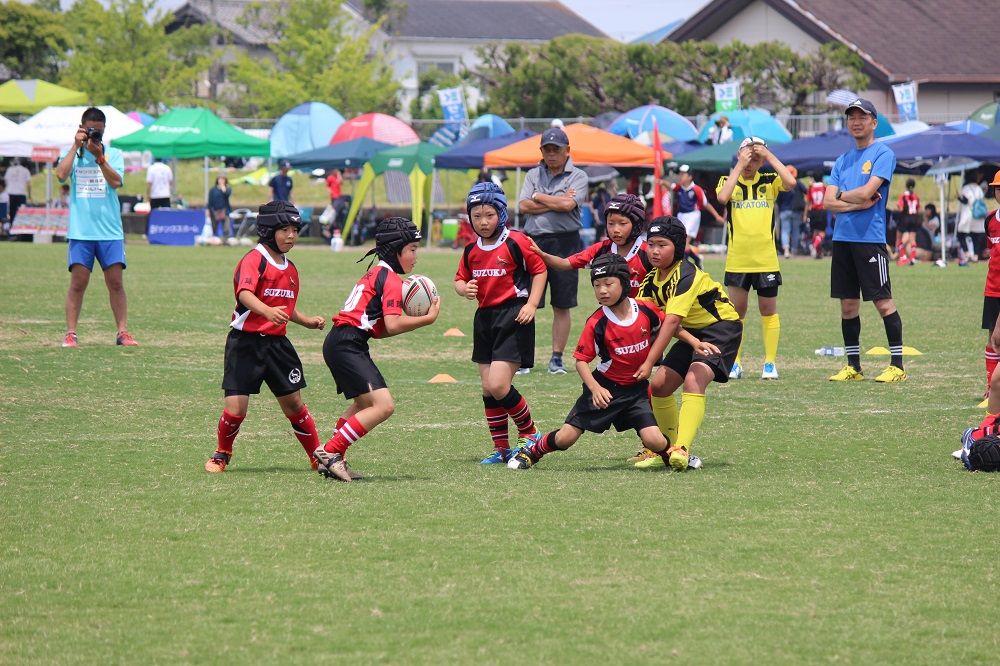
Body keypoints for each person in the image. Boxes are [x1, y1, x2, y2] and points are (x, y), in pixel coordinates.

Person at [506, 253, 680, 471]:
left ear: (624, 283)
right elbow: (581, 361)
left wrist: (695, 342)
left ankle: (673, 454)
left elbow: (670, 328)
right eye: (597, 285)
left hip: (635, 391)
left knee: (653, 440)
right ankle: (533, 451)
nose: (602, 290)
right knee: (565, 439)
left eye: (608, 284)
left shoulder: (646, 310)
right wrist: (595, 389)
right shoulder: (597, 322)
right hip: (604, 389)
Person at [204, 201, 327, 473]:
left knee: (294, 404)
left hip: (277, 345)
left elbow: (286, 308)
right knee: (236, 409)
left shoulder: (291, 269)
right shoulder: (254, 259)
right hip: (245, 343)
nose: (291, 236)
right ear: (269, 230)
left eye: (295, 230)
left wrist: (306, 321)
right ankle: (222, 454)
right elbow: (244, 294)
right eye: (285, 230)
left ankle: (317, 456)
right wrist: (267, 311)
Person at [315, 217, 440, 481]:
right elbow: (393, 324)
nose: (416, 256)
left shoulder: (376, 273)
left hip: (342, 341)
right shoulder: (390, 279)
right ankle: (331, 451)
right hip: (347, 344)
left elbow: (379, 329)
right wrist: (427, 319)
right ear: (396, 251)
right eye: (412, 249)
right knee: (384, 406)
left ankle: (334, 459)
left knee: (363, 404)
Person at [633, 217, 742, 470]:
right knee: (659, 386)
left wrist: (649, 363)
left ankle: (681, 449)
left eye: (662, 245)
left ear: (678, 247)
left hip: (721, 327)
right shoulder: (650, 280)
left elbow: (670, 323)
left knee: (694, 379)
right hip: (692, 331)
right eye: (651, 244)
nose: (654, 251)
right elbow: (648, 319)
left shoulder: (685, 274)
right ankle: (664, 449)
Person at [456, 182, 547, 463]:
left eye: (489, 215)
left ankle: (530, 432)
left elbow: (540, 270)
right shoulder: (471, 250)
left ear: (501, 214)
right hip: (484, 319)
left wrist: (532, 304)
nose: (483, 222)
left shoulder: (516, 241)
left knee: (498, 384)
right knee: (488, 387)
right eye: (477, 216)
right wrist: (464, 288)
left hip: (514, 316)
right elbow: (459, 279)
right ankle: (501, 448)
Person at [823, 98, 905, 383]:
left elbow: (867, 192)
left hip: (870, 239)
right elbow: (827, 202)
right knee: (847, 305)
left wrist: (841, 196)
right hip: (842, 239)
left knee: (883, 302)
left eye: (862, 117)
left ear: (874, 122)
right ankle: (853, 367)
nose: (856, 122)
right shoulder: (842, 160)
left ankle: (897, 366)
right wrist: (853, 203)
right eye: (851, 117)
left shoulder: (883, 153)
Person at [55, 107, 138, 348]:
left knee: (116, 283)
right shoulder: (73, 153)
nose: (95, 135)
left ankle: (122, 332)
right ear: (82, 128)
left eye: (99, 131)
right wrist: (75, 146)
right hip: (81, 231)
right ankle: (71, 333)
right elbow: (60, 175)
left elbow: (116, 182)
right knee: (78, 284)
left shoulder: (114, 154)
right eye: (91, 130)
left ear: (104, 130)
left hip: (110, 231)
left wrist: (100, 157)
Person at [716, 137, 797, 380]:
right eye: (747, 156)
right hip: (738, 260)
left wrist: (769, 156)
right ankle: (735, 362)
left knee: (768, 310)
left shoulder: (769, 180)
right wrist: (740, 164)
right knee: (737, 312)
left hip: (766, 260)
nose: (750, 162)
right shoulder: (727, 180)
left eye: (755, 158)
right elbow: (722, 198)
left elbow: (791, 182)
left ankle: (769, 363)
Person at [518, 127, 589, 375]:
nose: (551, 154)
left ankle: (556, 359)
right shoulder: (532, 174)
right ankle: (523, 359)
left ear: (567, 150)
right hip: (533, 242)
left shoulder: (578, 176)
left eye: (555, 149)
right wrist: (555, 202)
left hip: (565, 243)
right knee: (527, 301)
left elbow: (569, 204)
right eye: (546, 149)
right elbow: (523, 206)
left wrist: (538, 196)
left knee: (562, 303)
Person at [530, 192, 650, 298]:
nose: (615, 230)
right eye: (611, 223)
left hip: (643, 313)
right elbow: (564, 264)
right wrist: (542, 254)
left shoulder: (648, 252)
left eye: (622, 223)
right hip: (610, 313)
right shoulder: (601, 249)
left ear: (636, 224)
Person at [671, 164, 725, 268]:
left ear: (690, 177)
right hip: (681, 216)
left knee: (684, 241)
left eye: (683, 174)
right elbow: (669, 186)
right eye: (680, 174)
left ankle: (684, 266)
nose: (680, 176)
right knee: (682, 243)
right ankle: (696, 259)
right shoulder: (679, 188)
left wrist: (717, 216)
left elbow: (706, 204)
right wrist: (660, 181)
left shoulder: (696, 189)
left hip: (692, 216)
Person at [978, 172, 1000, 405]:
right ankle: (991, 387)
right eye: (997, 189)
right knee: (993, 337)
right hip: (993, 290)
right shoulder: (991, 220)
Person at [775, 165, 805, 259]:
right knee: (796, 231)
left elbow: (777, 198)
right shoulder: (798, 183)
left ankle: (786, 251)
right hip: (796, 210)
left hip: (784, 210)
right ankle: (794, 250)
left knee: (785, 231)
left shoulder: (781, 182)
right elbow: (806, 192)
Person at [957, 172, 986, 266]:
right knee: (976, 237)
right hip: (978, 216)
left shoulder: (965, 188)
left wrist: (959, 198)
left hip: (968, 215)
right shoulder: (978, 188)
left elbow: (965, 201)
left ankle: (967, 253)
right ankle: (975, 256)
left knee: (961, 235)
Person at [895, 178, 921, 266]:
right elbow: (918, 209)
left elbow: (901, 208)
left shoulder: (903, 196)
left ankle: (903, 257)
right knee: (912, 239)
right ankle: (912, 258)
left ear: (906, 185)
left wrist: (897, 207)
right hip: (914, 218)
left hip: (905, 218)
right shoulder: (916, 196)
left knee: (898, 238)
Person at [805, 173, 828, 258]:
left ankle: (818, 253)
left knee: (815, 232)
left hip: (813, 211)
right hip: (822, 211)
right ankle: (814, 246)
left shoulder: (811, 187)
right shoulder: (824, 187)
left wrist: (805, 215)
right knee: (822, 233)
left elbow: (808, 202)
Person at [4, 158, 31, 222]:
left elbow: (5, 181)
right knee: (21, 212)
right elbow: (29, 184)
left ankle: (10, 224)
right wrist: (29, 195)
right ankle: (19, 225)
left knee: (11, 211)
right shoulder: (26, 170)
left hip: (10, 193)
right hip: (21, 194)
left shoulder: (9, 169)